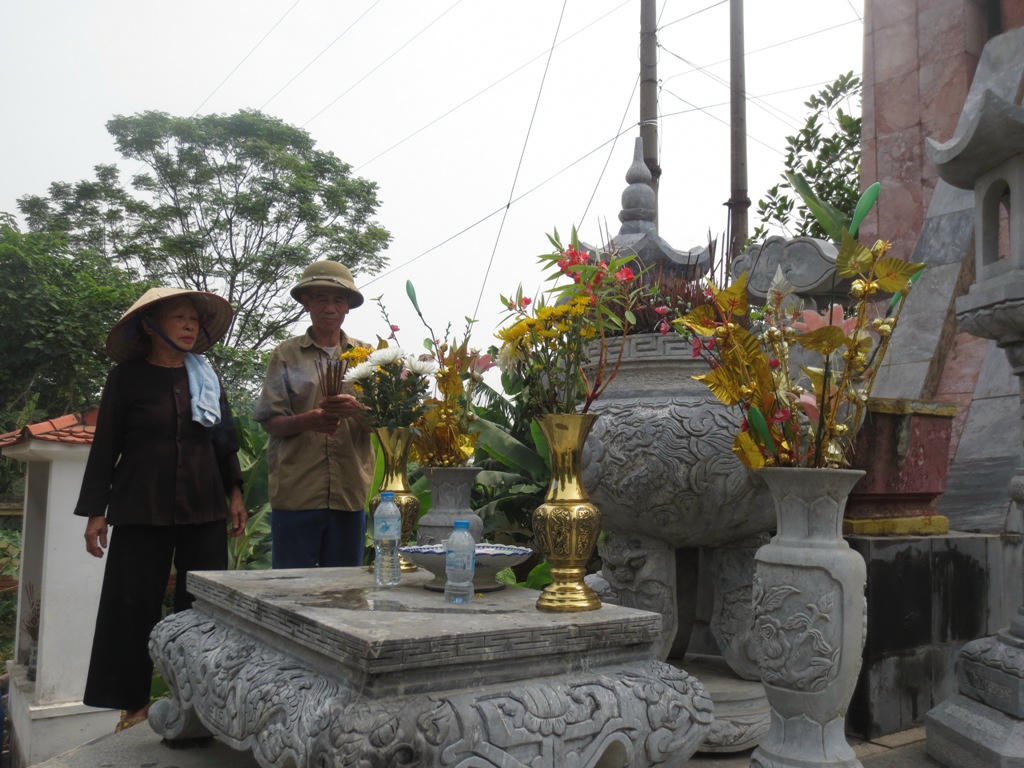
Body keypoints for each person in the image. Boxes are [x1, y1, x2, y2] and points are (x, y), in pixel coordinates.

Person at [74, 287, 247, 733]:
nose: (190, 326)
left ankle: (198, 702)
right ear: (150, 326)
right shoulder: (126, 379)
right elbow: (106, 445)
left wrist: (235, 493)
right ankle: (131, 705)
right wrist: (96, 511)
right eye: (179, 317)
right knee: (131, 603)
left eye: (194, 319)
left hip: (204, 504)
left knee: (203, 607)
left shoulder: (206, 376)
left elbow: (224, 440)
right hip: (140, 505)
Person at [254, 260, 374, 569]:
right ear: (306, 303)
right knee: (291, 586)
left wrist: (356, 411)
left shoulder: (368, 357)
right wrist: (308, 420)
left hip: (349, 493)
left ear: (348, 306)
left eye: (338, 300)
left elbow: (384, 424)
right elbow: (270, 421)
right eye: (321, 298)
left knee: (344, 587)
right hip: (297, 493)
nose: (330, 308)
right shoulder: (286, 354)